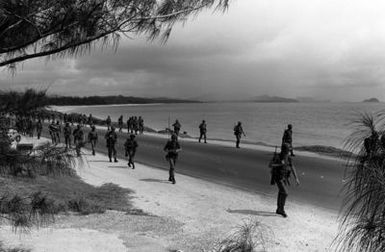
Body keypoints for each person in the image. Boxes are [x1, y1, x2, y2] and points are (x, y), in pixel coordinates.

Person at [269, 143, 300, 218]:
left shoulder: (288, 157)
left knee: (281, 192)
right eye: (287, 150)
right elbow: (270, 165)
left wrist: (296, 178)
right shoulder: (277, 156)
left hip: (285, 177)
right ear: (284, 150)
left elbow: (292, 167)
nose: (288, 151)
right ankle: (281, 210)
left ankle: (278, 209)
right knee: (285, 193)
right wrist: (279, 164)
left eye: (289, 150)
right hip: (277, 177)